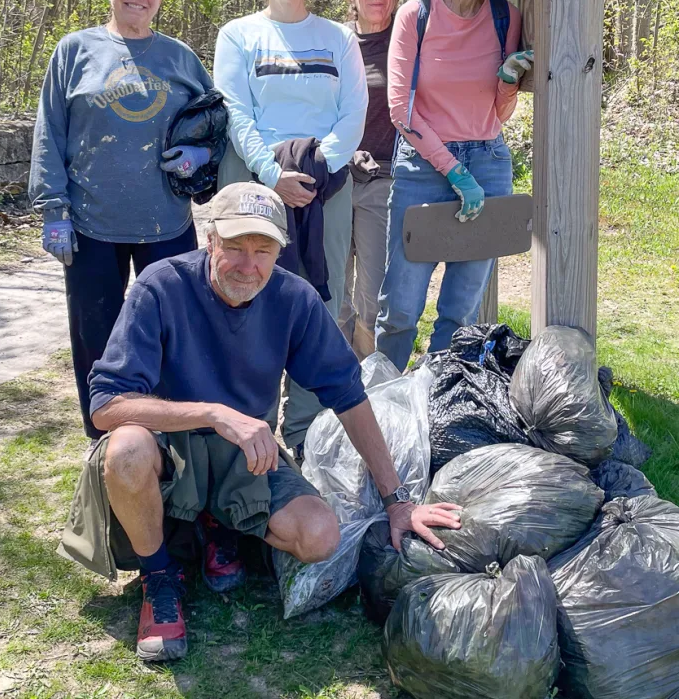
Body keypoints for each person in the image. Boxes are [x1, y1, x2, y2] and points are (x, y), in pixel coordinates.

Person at [57, 182, 462, 663]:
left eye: (263, 250)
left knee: (319, 537)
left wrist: (397, 501)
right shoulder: (160, 285)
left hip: (245, 460)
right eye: (234, 248)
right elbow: (104, 406)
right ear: (210, 240)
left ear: (279, 252)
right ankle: (160, 576)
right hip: (168, 452)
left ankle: (217, 524)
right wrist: (212, 413)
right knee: (124, 450)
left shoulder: (295, 298)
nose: (248, 266)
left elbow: (349, 398)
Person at [29, 0, 216, 439]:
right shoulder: (74, 52)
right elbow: (50, 132)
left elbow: (217, 123)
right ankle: (105, 440)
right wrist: (53, 210)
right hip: (90, 226)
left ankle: (172, 435)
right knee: (98, 339)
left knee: (174, 332)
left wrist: (200, 153)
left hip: (167, 223)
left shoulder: (180, 58)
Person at [213, 0, 369, 454]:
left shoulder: (338, 38)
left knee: (319, 304)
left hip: (325, 186)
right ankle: (247, 427)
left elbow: (353, 112)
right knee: (244, 292)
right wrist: (273, 174)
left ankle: (304, 430)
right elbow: (235, 110)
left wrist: (316, 168)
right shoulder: (238, 35)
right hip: (253, 182)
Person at [374, 0, 534, 370]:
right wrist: (452, 170)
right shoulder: (415, 16)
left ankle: (436, 402)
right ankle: (383, 406)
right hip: (423, 166)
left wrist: (507, 83)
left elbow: (499, 112)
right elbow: (400, 109)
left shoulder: (507, 16)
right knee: (401, 306)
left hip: (487, 161)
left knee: (461, 310)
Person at [336, 0, 403, 360]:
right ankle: (332, 382)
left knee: (373, 296)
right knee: (333, 292)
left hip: (386, 180)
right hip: (336, 179)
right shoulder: (333, 43)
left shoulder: (409, 40)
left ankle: (370, 386)